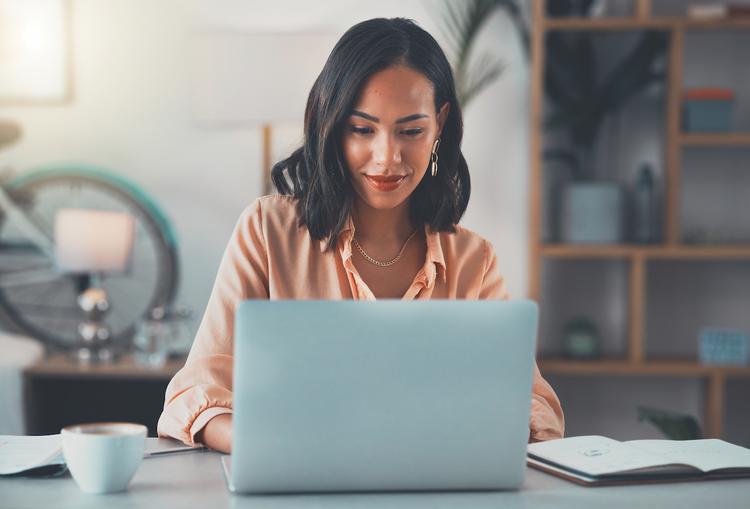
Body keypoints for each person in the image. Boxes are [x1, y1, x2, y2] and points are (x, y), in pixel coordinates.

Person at [157, 17, 564, 454]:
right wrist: (272, 446)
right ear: (332, 126)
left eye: (411, 131)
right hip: (295, 481)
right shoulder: (266, 232)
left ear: (440, 125)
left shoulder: (472, 260)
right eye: (362, 129)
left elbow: (532, 405)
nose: (387, 157)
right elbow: (194, 395)